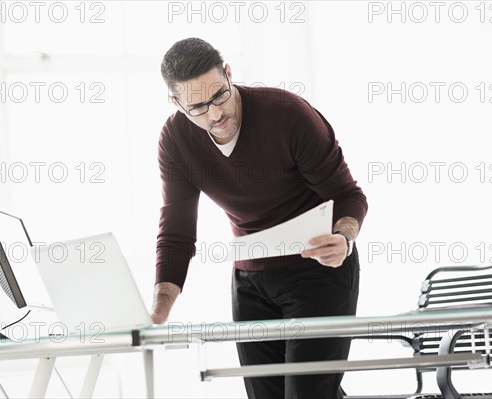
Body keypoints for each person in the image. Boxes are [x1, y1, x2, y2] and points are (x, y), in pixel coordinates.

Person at [151, 37, 368, 399]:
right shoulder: (175, 140)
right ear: (176, 103)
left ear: (229, 74)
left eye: (220, 95)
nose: (215, 114)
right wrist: (157, 313)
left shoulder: (287, 114)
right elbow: (176, 235)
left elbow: (349, 196)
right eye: (198, 107)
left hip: (318, 269)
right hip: (250, 277)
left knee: (308, 393)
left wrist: (344, 238)